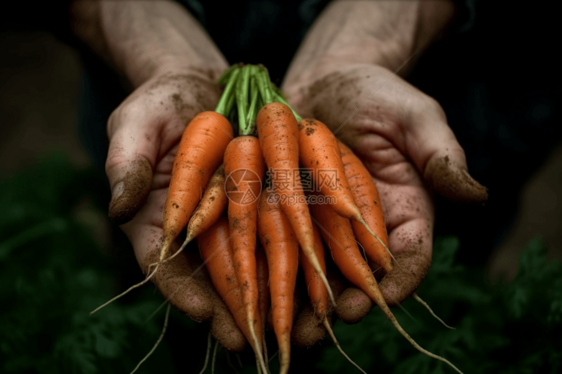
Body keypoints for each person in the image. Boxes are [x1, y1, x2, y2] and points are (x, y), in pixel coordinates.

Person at [68, 0, 487, 350]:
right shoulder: (233, 146)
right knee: (174, 259)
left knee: (330, 213)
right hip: (138, 69)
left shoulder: (296, 136)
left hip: (462, 82)